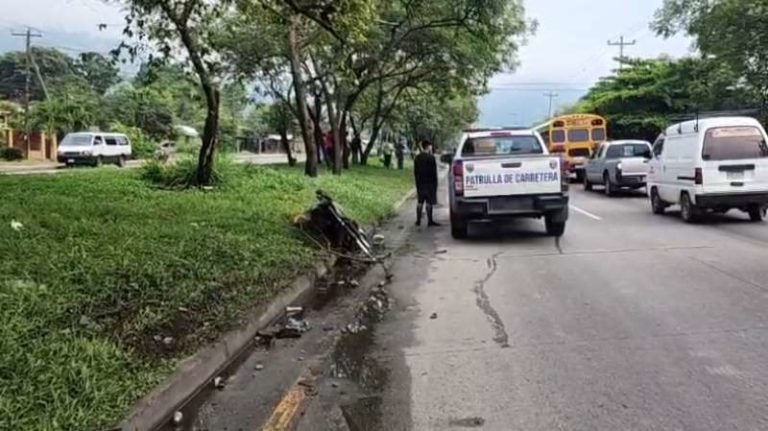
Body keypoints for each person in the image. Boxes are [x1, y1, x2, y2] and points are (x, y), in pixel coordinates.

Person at [414, 140, 440, 226]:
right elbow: (434, 172)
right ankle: (430, 221)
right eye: (430, 146)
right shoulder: (431, 157)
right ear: (428, 147)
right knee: (429, 202)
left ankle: (418, 221)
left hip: (420, 182)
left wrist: (417, 182)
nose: (431, 148)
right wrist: (435, 184)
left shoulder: (417, 157)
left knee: (420, 201)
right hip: (430, 183)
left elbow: (415, 171)